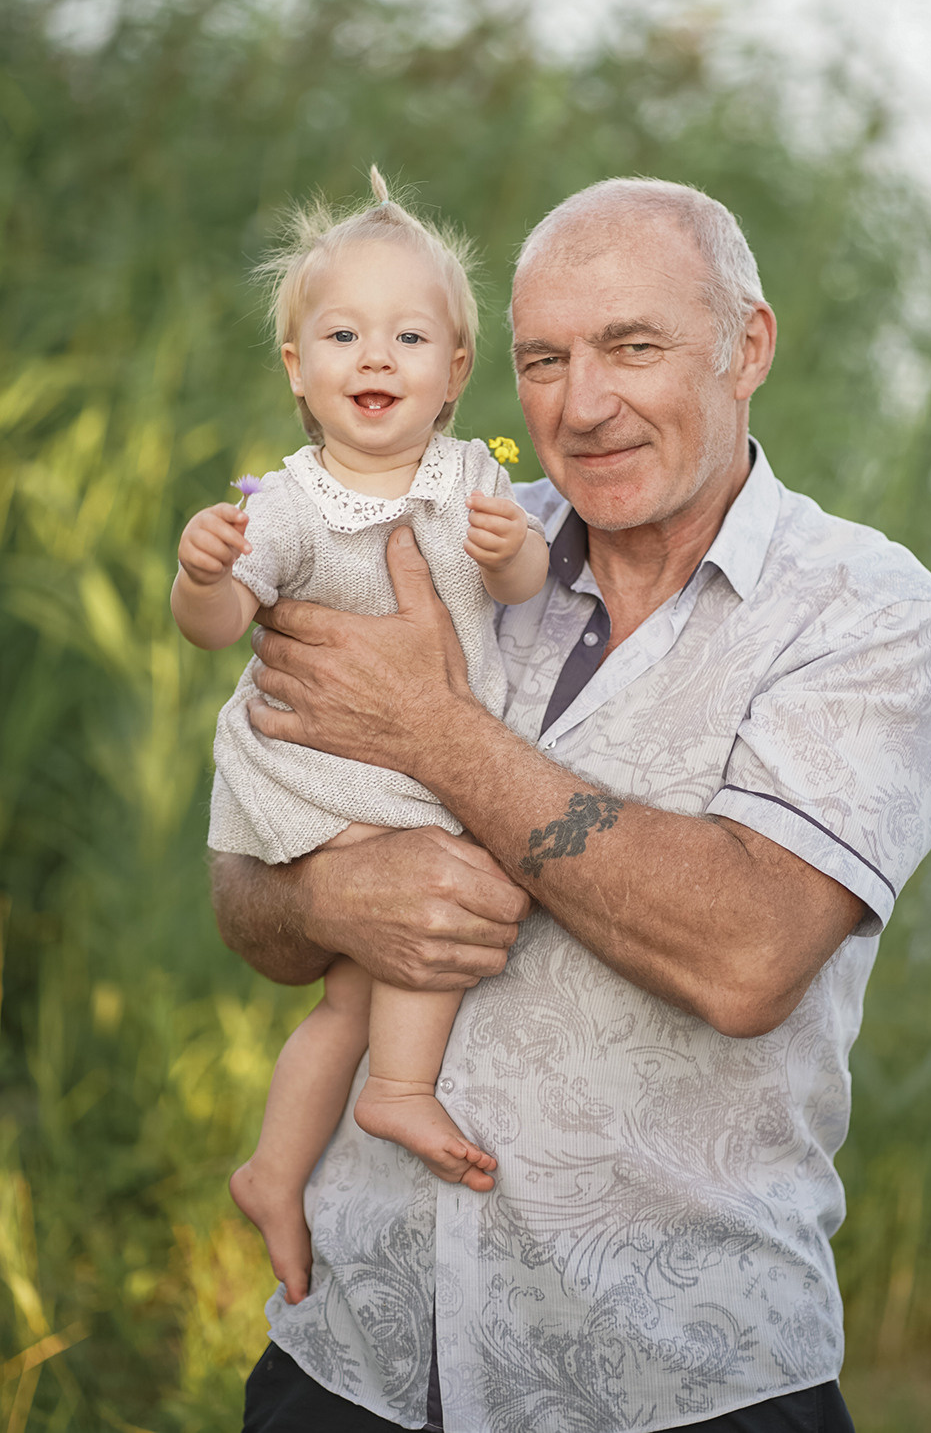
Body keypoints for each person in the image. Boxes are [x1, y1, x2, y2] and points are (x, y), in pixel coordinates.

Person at [212, 178, 931, 1433]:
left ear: (748, 349)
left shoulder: (868, 615)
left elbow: (748, 957)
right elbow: (249, 896)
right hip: (355, 1357)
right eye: (546, 359)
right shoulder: (439, 546)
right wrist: (326, 892)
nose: (584, 404)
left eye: (634, 347)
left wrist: (438, 738)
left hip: (674, 1378)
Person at [171, 171, 549, 1306]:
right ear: (298, 368)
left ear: (455, 374)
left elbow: (526, 583)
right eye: (342, 334)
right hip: (318, 774)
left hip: (414, 761)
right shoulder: (281, 504)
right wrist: (198, 575)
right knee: (453, 879)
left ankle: (274, 1169)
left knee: (347, 993)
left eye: (407, 336)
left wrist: (508, 549)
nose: (374, 358)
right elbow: (218, 626)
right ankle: (400, 1088)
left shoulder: (475, 477)